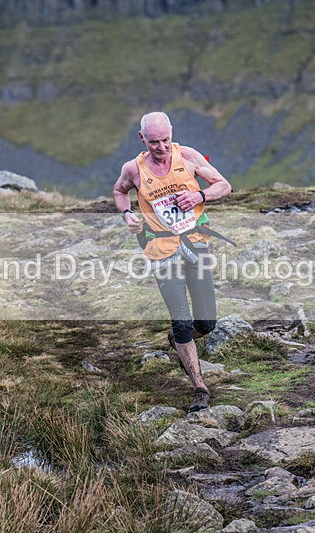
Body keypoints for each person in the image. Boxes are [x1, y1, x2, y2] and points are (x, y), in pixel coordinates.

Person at [113, 112, 233, 412]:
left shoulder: (189, 156)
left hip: (196, 243)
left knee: (206, 322)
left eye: (165, 140)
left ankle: (179, 338)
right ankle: (200, 389)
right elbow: (119, 191)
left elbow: (224, 185)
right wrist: (128, 215)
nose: (162, 147)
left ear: (171, 134)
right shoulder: (133, 169)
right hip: (160, 249)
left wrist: (199, 196)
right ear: (142, 139)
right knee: (181, 320)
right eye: (154, 142)